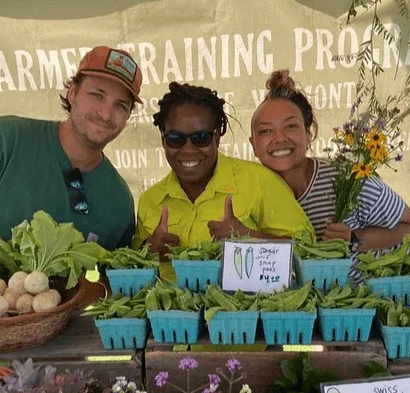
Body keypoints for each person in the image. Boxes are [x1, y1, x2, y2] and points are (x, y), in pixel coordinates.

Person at [0, 45, 142, 252]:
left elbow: (109, 280)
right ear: (73, 92)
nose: (105, 114)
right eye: (97, 95)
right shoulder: (7, 138)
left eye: (120, 106)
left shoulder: (119, 201)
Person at [133, 81, 315, 279]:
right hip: (165, 310)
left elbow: (311, 252)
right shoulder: (150, 200)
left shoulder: (259, 182)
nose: (188, 149)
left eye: (200, 137)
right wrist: (147, 250)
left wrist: (248, 237)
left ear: (217, 138)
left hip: (247, 309)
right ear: (163, 140)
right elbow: (129, 269)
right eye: (175, 138)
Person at [249, 70, 410, 280]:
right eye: (266, 131)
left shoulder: (346, 178)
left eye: (291, 126)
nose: (279, 138)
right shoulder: (253, 193)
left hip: (388, 294)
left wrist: (354, 238)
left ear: (309, 134)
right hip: (328, 306)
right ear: (253, 145)